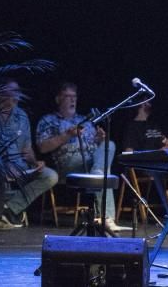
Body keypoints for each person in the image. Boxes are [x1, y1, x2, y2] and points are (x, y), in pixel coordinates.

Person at [36, 82, 127, 233]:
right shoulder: (48, 120)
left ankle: (97, 174)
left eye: (74, 97)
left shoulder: (85, 120)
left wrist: (99, 139)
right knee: (104, 169)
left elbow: (95, 145)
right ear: (58, 99)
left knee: (108, 144)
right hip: (69, 164)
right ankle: (107, 218)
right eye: (68, 97)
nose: (72, 100)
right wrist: (67, 135)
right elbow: (42, 147)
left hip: (91, 161)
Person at [0, 79, 58, 231]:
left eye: (17, 92)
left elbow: (26, 148)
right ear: (1, 93)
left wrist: (36, 163)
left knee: (50, 175)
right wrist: (6, 166)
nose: (15, 96)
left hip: (21, 167)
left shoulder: (21, 116)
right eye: (11, 92)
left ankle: (9, 208)